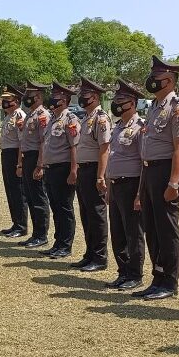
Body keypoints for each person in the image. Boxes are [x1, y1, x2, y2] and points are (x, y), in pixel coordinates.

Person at [134, 56, 179, 301]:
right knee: (152, 228)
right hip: (149, 170)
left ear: (168, 80)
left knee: (167, 228)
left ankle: (169, 281)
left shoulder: (178, 107)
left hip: (167, 171)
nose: (151, 81)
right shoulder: (154, 106)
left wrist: (174, 182)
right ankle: (157, 278)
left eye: (156, 77)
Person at [105, 79, 146, 291]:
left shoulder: (140, 127)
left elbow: (143, 163)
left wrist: (140, 194)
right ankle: (123, 272)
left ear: (133, 103)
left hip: (131, 185)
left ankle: (135, 274)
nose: (117, 103)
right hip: (116, 184)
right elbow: (112, 158)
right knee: (118, 232)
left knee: (133, 233)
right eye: (116, 99)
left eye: (121, 99)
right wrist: (109, 188)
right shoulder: (117, 126)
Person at [70, 77, 111, 272]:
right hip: (84, 169)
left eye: (84, 95)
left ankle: (100, 257)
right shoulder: (86, 117)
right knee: (85, 214)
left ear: (94, 97)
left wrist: (101, 176)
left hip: (94, 170)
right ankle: (90, 253)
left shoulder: (100, 117)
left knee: (96, 214)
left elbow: (104, 148)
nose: (81, 98)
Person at [39, 82, 80, 259]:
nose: (52, 100)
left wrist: (73, 171)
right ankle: (58, 242)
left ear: (64, 100)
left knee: (64, 208)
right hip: (51, 169)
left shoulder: (70, 119)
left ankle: (65, 245)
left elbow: (74, 147)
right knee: (55, 207)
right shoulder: (53, 119)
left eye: (56, 97)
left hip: (63, 169)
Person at [16, 81, 51, 248]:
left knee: (38, 198)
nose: (25, 99)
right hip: (28, 157)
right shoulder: (31, 114)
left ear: (37, 97)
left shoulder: (43, 115)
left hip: (37, 157)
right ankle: (36, 233)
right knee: (30, 197)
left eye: (28, 96)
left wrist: (40, 165)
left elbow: (44, 141)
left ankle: (41, 235)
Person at [0, 84, 29, 238]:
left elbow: (21, 143)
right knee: (10, 190)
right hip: (6, 154)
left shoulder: (20, 116)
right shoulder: (9, 116)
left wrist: (19, 163)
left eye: (7, 99)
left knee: (18, 191)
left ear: (16, 101)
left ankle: (22, 226)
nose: (4, 102)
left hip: (14, 155)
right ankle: (16, 223)